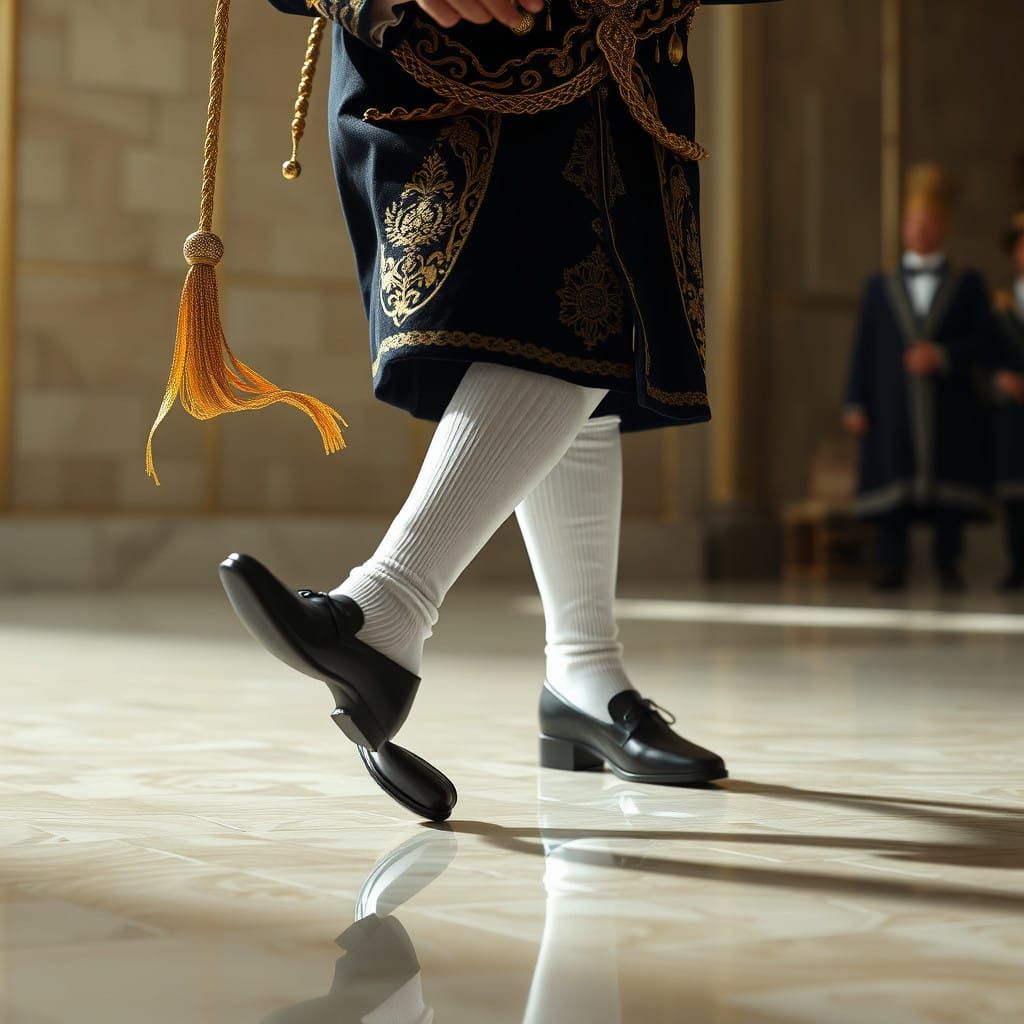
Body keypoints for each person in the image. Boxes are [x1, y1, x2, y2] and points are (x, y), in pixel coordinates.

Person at [220, 0, 778, 822]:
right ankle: (408, 621)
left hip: (601, 59)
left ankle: (556, 666)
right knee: (555, 318)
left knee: (577, 317)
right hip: (428, 62)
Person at [844, 164, 993, 592]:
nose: (921, 230)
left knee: (948, 485)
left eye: (929, 222)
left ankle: (949, 562)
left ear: (944, 228)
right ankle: (891, 563)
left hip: (950, 401)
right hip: (892, 403)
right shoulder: (879, 286)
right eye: (914, 222)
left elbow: (984, 341)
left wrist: (943, 356)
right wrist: (855, 400)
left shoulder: (968, 285)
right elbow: (864, 347)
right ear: (903, 228)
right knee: (894, 478)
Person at [991, 212, 1024, 591]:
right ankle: (1017, 562)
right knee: (1014, 491)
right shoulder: (999, 301)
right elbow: (984, 353)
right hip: (1012, 409)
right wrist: (999, 379)